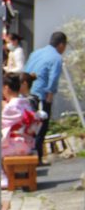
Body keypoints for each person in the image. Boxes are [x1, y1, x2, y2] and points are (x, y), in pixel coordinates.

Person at [25, 31, 68, 163]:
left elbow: (26, 71)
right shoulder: (56, 58)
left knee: (28, 126)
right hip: (41, 95)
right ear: (61, 44)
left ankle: (30, 155)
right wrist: (50, 95)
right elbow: (53, 78)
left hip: (28, 92)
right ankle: (37, 157)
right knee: (41, 126)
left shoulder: (36, 53)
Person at [1, 73, 40, 189]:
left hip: (14, 144)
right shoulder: (26, 103)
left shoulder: (10, 107)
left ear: (6, 88)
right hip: (27, 143)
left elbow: (1, 125)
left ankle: (2, 177)